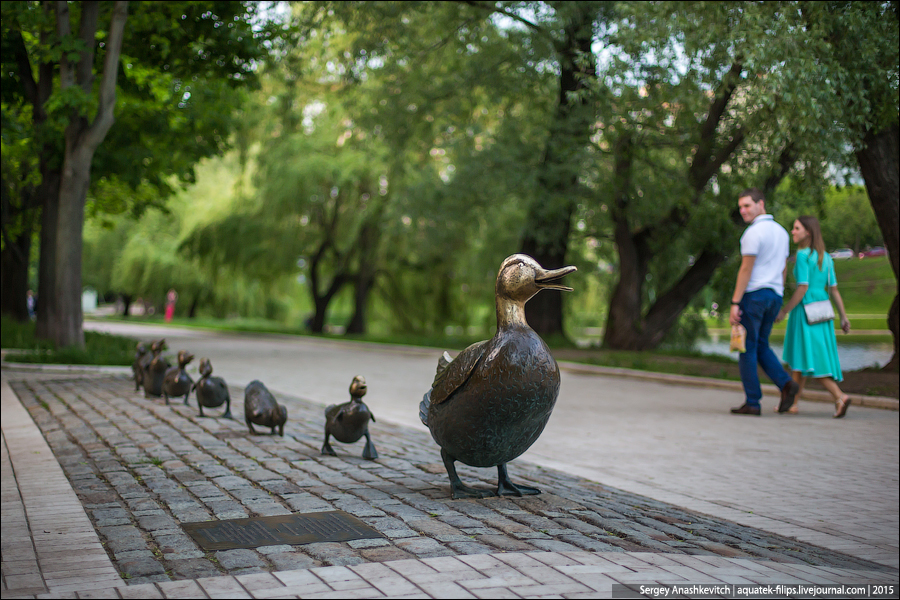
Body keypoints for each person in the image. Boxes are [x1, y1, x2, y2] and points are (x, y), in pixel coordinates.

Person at [729, 188, 799, 416]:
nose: (743, 211)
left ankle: (752, 401)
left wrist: (735, 302)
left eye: (747, 205)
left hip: (755, 295)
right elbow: (783, 268)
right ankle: (787, 384)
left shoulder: (752, 233)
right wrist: (779, 296)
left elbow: (746, 268)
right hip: (774, 295)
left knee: (747, 348)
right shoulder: (782, 232)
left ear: (761, 204)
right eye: (740, 207)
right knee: (761, 346)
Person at [775, 216, 852, 418]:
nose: (793, 231)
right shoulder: (825, 257)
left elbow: (802, 288)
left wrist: (785, 311)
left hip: (805, 313)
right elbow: (833, 289)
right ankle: (793, 403)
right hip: (823, 313)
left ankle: (839, 396)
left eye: (796, 228)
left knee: (813, 359)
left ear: (807, 232)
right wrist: (843, 317)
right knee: (802, 359)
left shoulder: (802, 256)